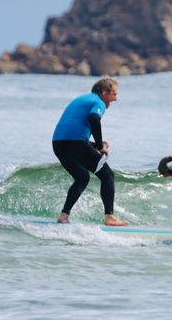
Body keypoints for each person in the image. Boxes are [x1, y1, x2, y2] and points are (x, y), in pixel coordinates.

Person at [51, 77, 129, 227]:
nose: (116, 99)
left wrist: (92, 144)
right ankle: (110, 217)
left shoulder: (84, 99)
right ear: (104, 92)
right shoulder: (98, 101)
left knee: (82, 177)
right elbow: (94, 119)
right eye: (114, 94)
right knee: (107, 175)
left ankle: (63, 215)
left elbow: (73, 131)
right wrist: (99, 146)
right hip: (74, 143)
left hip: (59, 144)